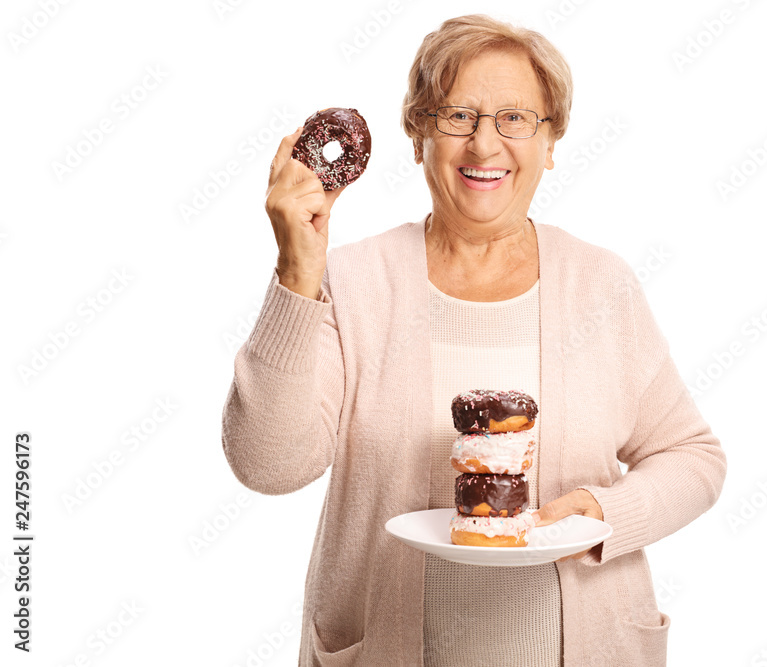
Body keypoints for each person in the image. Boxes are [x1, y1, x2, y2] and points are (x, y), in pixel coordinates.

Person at [222, 13, 726, 666]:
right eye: (458, 115)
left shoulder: (602, 286)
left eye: (515, 118)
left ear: (551, 142)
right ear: (418, 134)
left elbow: (695, 457)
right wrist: (297, 270)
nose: (485, 145)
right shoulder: (349, 279)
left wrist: (603, 514)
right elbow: (267, 463)